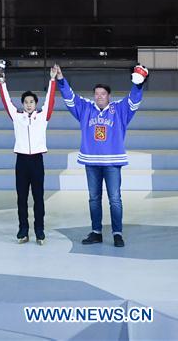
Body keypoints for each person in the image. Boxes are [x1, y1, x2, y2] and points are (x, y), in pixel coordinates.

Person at [55, 64, 148, 247]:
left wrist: (138, 83)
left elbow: (133, 100)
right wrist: (60, 79)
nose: (99, 97)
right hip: (91, 161)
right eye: (96, 94)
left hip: (113, 162)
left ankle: (117, 233)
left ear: (109, 96)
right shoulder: (86, 109)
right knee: (94, 198)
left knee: (115, 198)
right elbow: (70, 98)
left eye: (102, 94)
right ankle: (96, 232)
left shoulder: (119, 110)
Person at [0, 67, 57, 245]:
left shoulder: (43, 116)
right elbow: (6, 101)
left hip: (37, 160)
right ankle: (23, 230)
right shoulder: (17, 117)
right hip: (21, 161)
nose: (29, 104)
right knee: (21, 198)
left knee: (38, 198)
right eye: (26, 102)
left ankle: (39, 231)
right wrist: (2, 83)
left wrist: (52, 80)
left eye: (32, 102)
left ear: (36, 104)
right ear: (22, 104)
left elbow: (50, 100)